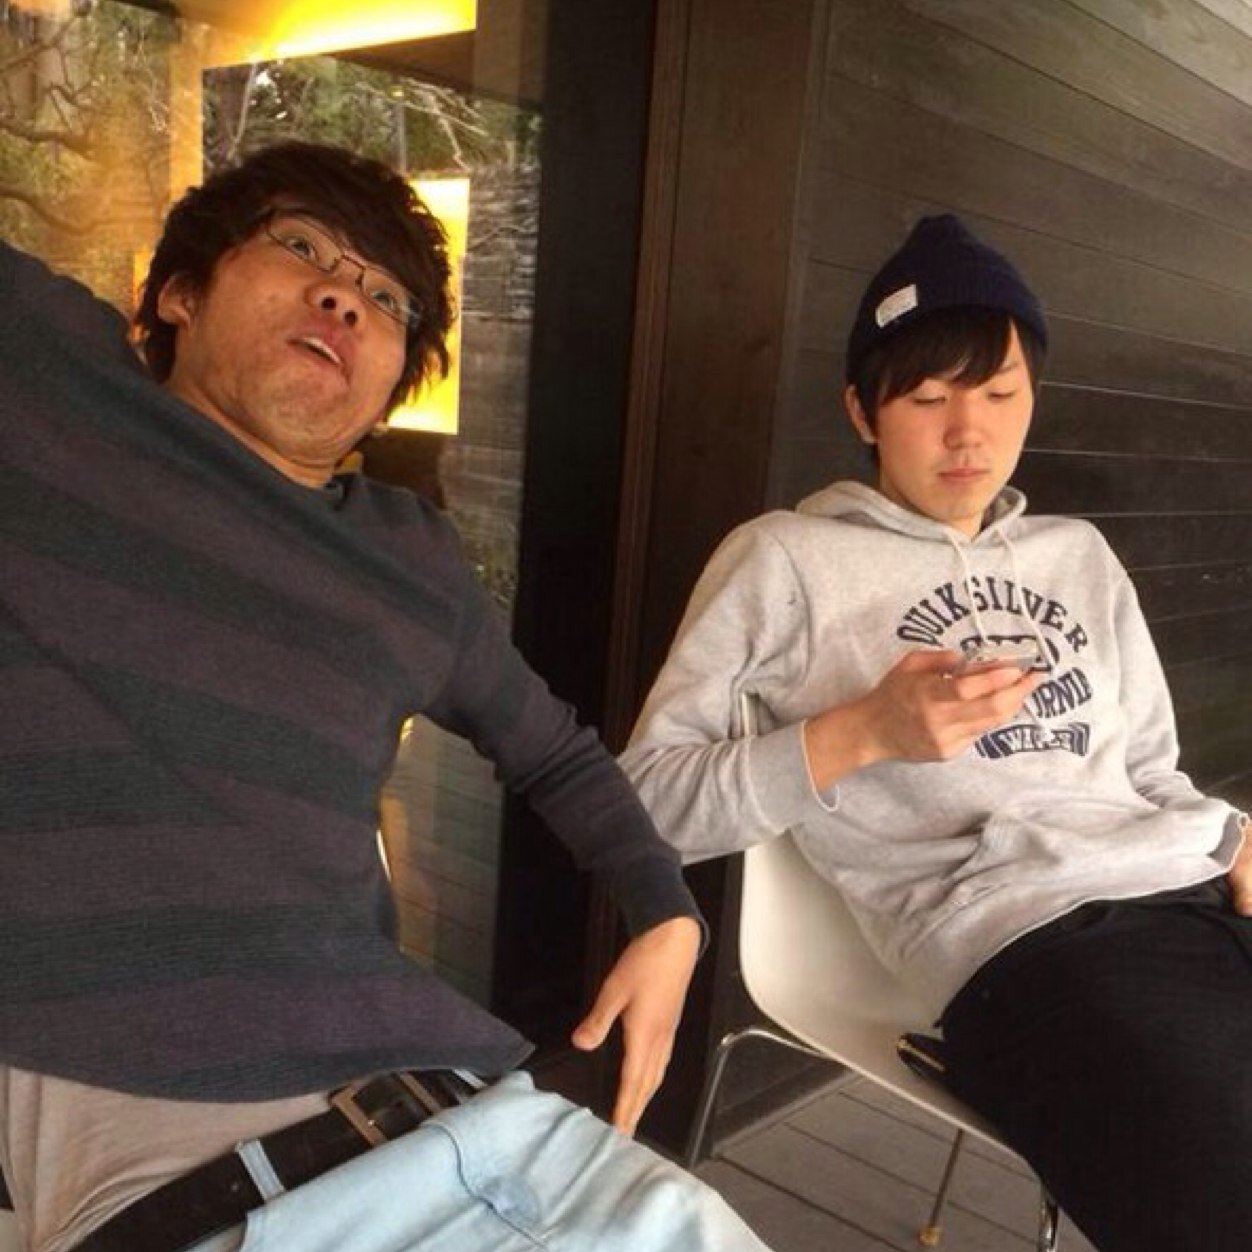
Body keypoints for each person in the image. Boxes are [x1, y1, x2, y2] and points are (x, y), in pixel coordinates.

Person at [0, 141, 774, 1252]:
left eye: (385, 298)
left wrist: (667, 913)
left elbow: (555, 753)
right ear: (178, 293)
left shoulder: (409, 561)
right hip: (199, 1195)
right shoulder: (50, 388)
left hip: (497, 1130)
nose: (343, 297)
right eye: (302, 247)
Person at [621, 214, 1251, 1252]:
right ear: (861, 411)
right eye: (926, 399)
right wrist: (859, 732)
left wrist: (1230, 834)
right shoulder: (784, 560)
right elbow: (644, 806)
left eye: (1000, 394)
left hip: (1193, 890)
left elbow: (1149, 767)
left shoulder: (1078, 554)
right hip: (1028, 946)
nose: (969, 434)